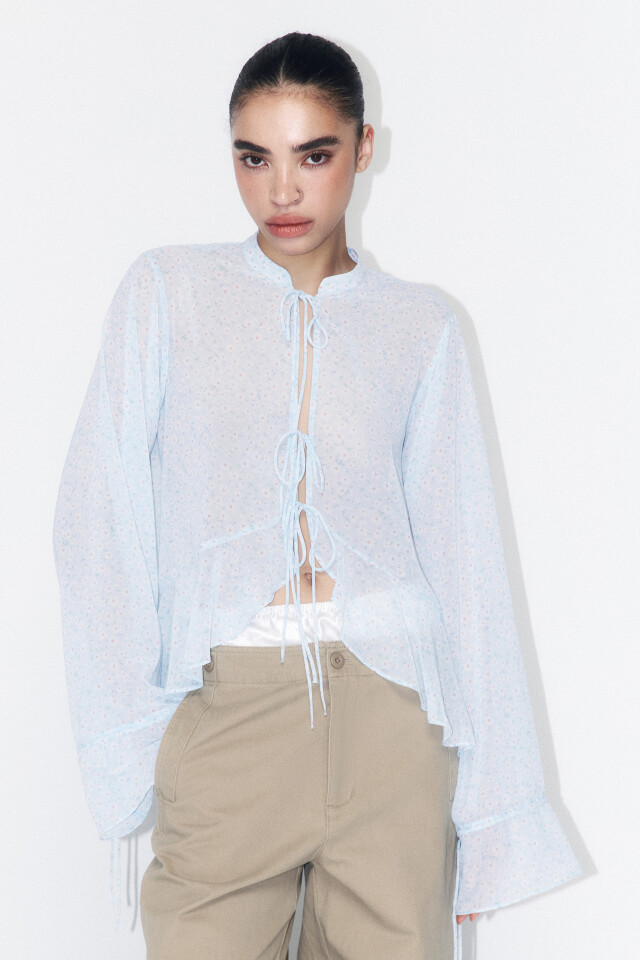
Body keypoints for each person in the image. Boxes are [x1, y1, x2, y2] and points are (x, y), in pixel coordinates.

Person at [52, 31, 581, 960]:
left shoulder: (421, 326)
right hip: (229, 718)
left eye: (313, 154)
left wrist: (493, 809)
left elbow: (464, 558)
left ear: (363, 148)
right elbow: (97, 519)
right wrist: (142, 743)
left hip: (393, 728)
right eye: (254, 158)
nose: (282, 191)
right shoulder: (168, 293)